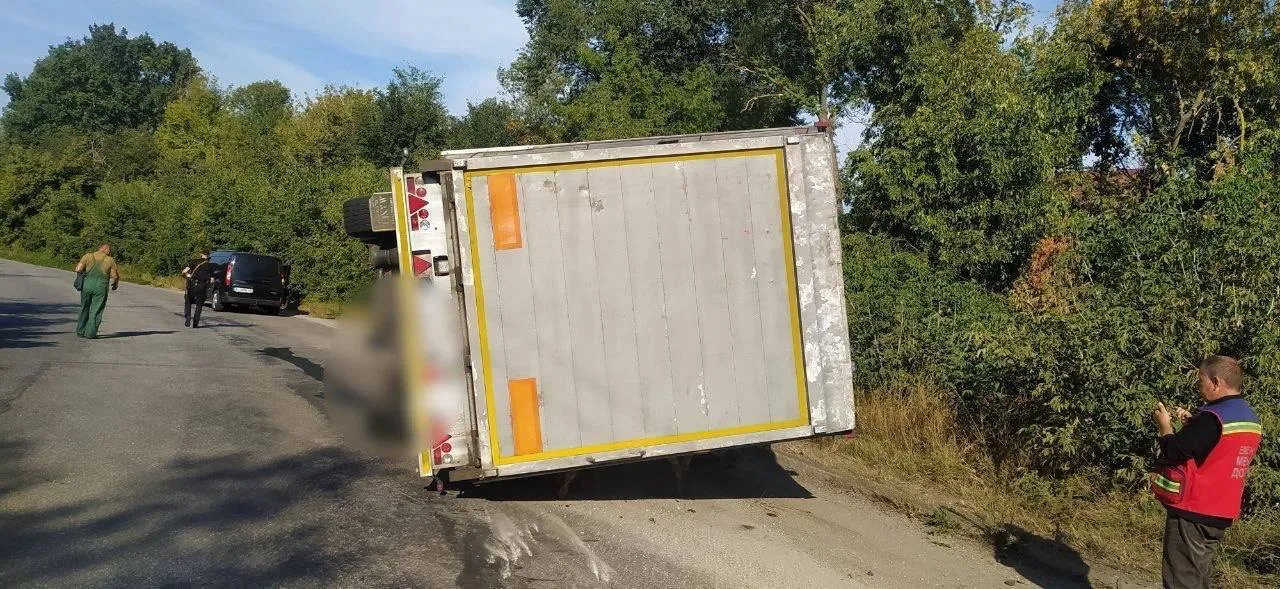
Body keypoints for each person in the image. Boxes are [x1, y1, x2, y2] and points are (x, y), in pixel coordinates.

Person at [1150, 355, 1263, 589]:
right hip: (1221, 511)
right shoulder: (1249, 417)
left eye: (1201, 380)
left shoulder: (1212, 419)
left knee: (1181, 579)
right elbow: (1218, 449)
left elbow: (1173, 450)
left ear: (1216, 382)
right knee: (1200, 578)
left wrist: (1165, 426)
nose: (1199, 386)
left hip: (1194, 509)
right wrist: (1194, 423)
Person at [74, 243, 120, 339]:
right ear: (107, 250)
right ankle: (90, 333)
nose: (110, 252)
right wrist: (115, 284)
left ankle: (80, 331)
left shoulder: (88, 256)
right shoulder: (110, 260)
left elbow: (78, 269)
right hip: (100, 288)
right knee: (96, 309)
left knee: (85, 307)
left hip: (87, 286)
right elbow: (114, 276)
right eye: (110, 251)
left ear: (100, 249)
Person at [181, 251, 215, 328]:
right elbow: (212, 280)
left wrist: (188, 276)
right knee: (199, 305)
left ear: (201, 255)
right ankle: (195, 322)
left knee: (188, 301)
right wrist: (208, 285)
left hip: (192, 285)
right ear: (209, 257)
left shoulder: (194, 262)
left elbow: (184, 272)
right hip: (202, 286)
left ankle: (188, 317)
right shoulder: (210, 266)